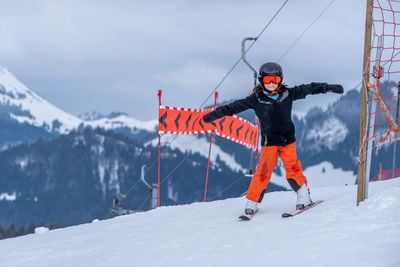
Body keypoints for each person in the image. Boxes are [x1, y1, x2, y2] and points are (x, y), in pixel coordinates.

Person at [203, 62, 343, 215]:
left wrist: (329, 87)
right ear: (262, 80)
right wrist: (215, 114)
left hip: (287, 140)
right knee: (263, 171)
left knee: (293, 168)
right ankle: (252, 202)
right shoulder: (255, 99)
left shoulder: (288, 94)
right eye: (268, 80)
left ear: (280, 80)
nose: (271, 83)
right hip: (269, 142)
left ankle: (303, 197)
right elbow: (235, 107)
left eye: (275, 80)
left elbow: (309, 88)